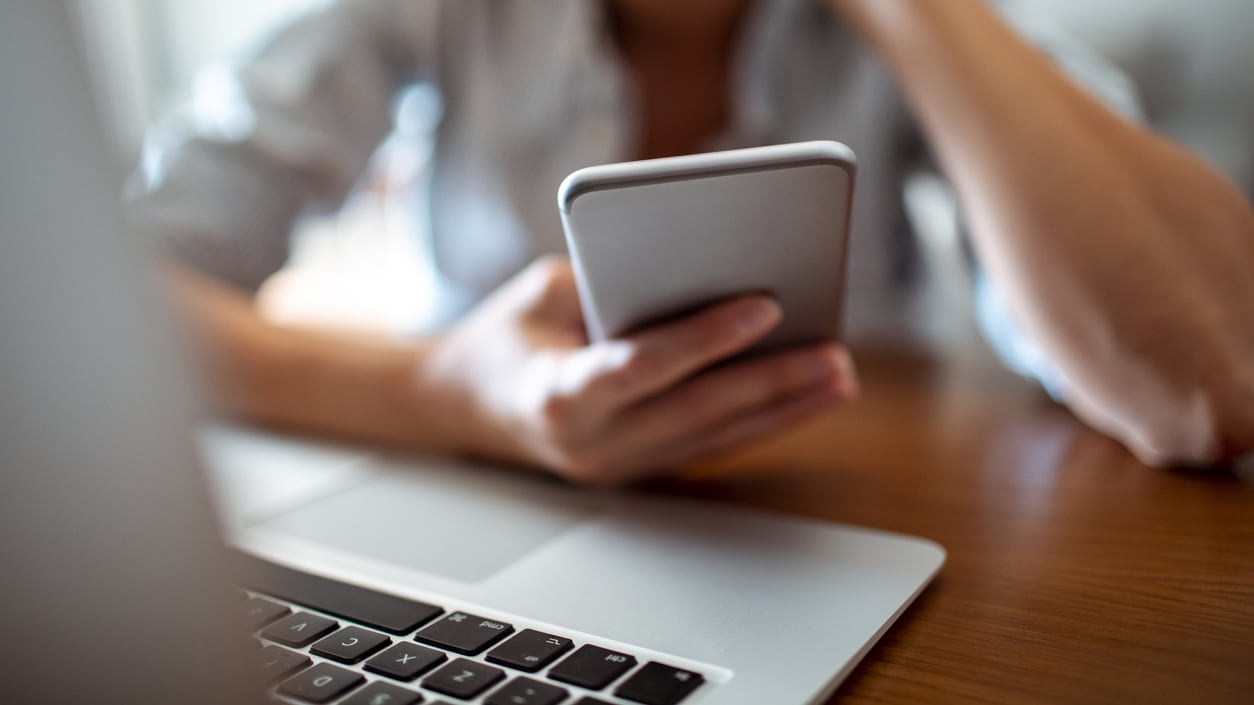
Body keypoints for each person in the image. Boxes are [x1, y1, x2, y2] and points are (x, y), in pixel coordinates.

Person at [129, 0, 1254, 484]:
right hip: (492, 515)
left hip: (863, 524)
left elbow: (1209, 382)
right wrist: (446, 394)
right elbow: (108, 308)